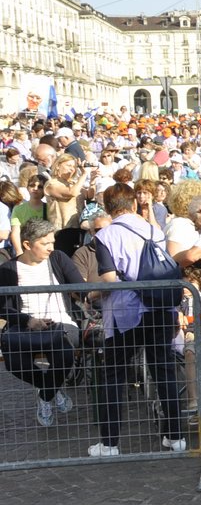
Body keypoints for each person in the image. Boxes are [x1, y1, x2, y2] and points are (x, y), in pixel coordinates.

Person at [90, 182, 187, 458]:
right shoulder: (154, 229)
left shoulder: (105, 236)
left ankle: (109, 443)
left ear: (108, 209)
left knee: (113, 376)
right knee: (164, 371)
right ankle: (175, 436)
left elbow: (109, 279)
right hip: (158, 309)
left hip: (125, 314)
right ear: (134, 204)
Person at [0, 218, 85, 427]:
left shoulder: (58, 258)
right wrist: (27, 320)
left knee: (65, 354)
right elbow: (2, 307)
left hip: (60, 322)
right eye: (45, 243)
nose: (51, 248)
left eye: (52, 242)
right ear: (28, 244)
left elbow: (81, 287)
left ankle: (45, 395)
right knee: (14, 362)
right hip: (24, 325)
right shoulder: (8, 269)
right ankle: (52, 390)